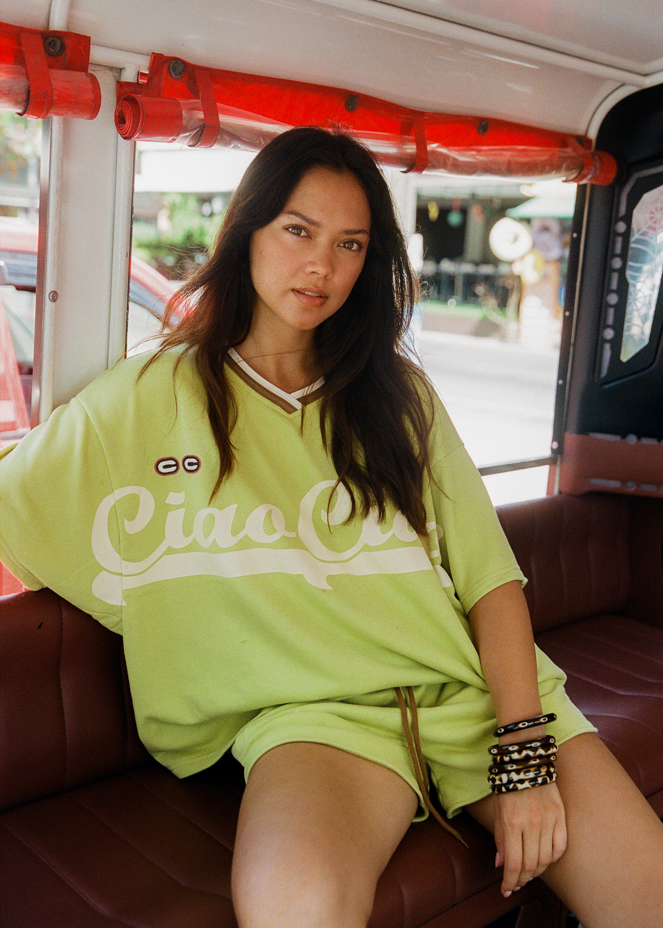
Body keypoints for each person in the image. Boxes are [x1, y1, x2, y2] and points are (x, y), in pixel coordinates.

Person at [1, 127, 662, 929]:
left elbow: (491, 581)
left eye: (350, 244)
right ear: (246, 229)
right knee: (296, 909)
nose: (323, 265)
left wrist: (522, 756)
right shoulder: (146, 395)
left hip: (476, 696)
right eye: (298, 230)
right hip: (313, 724)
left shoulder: (398, 395)